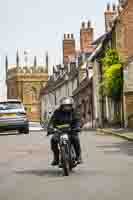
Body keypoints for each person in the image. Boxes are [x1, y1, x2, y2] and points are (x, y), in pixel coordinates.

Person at [47, 97, 82, 166]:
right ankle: (56, 158)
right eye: (65, 106)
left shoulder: (74, 112)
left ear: (71, 106)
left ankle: (78, 156)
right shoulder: (57, 112)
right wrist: (50, 128)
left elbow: (77, 120)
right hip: (59, 131)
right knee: (53, 140)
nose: (67, 107)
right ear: (62, 106)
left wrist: (77, 127)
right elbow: (52, 121)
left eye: (68, 106)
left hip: (71, 131)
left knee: (76, 139)